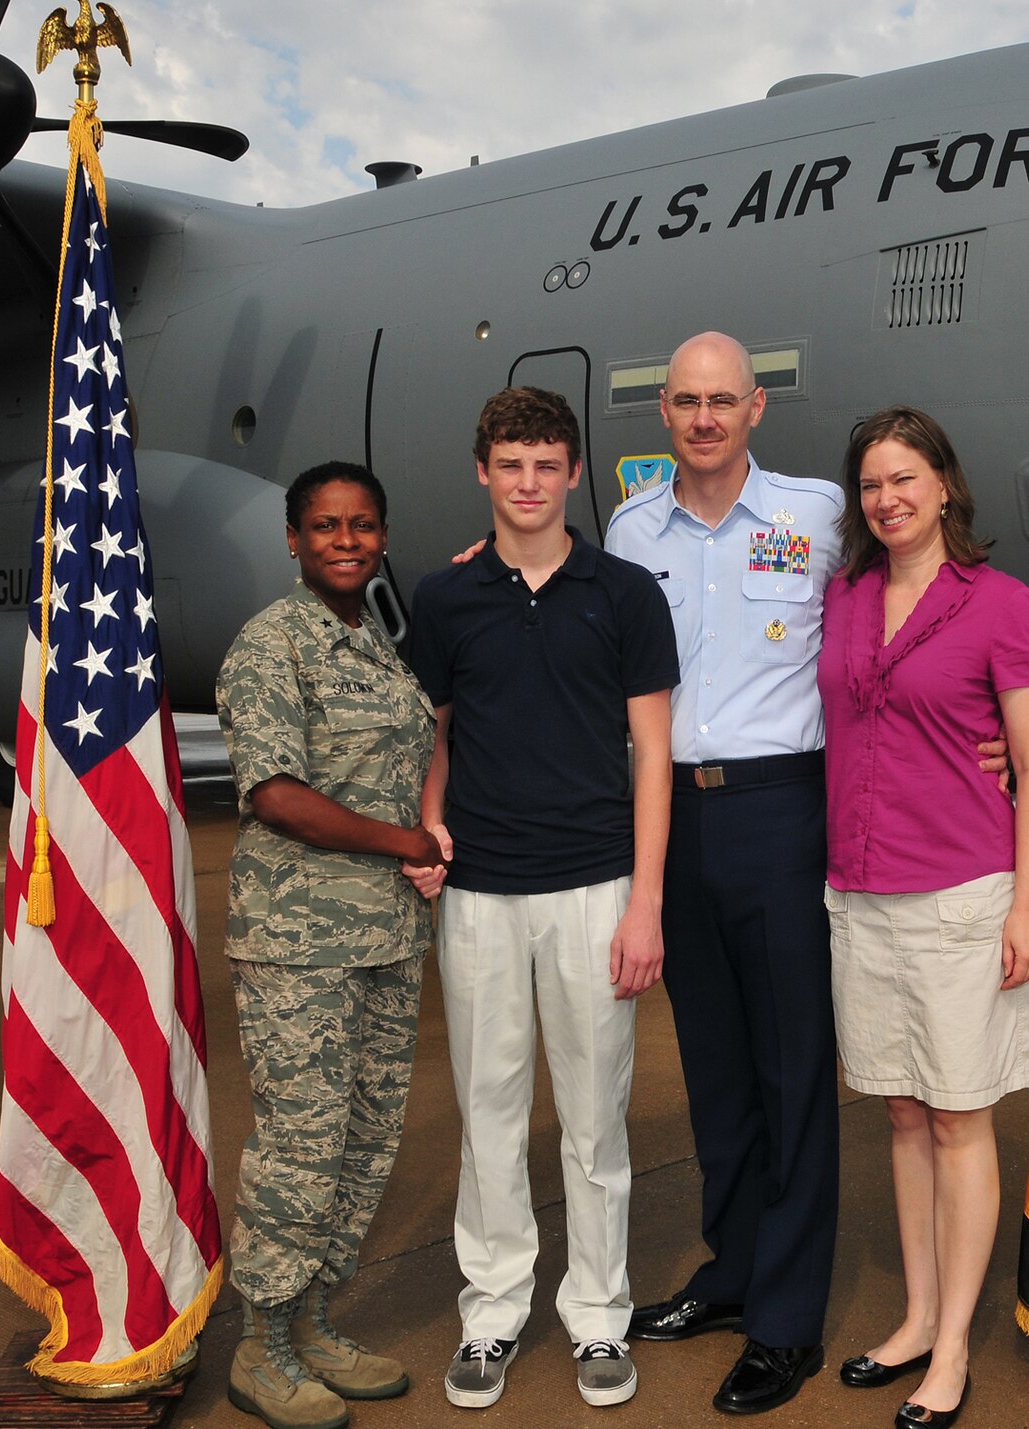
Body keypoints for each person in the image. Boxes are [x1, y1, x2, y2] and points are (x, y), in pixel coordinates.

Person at [408, 386, 678, 1412]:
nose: (527, 483)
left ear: (573, 473)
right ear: (483, 472)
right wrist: (429, 830)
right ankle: (491, 1312)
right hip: (477, 894)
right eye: (509, 464)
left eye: (545, 464)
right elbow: (434, 733)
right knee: (486, 1110)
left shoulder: (623, 593)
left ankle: (599, 1316)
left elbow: (651, 752)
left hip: (595, 887)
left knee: (595, 1118)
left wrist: (644, 902)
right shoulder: (444, 598)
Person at [604, 331, 846, 1415]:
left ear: (755, 407)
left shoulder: (817, 514)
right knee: (713, 1068)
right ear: (663, 411)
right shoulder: (628, 526)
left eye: (722, 401)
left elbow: (900, 621)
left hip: (779, 808)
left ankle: (786, 1318)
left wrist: (982, 727)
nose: (704, 418)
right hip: (671, 817)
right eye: (685, 402)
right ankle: (733, 1271)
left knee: (793, 1070)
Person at [818, 408, 1029, 1429]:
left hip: (962, 898)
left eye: (905, 478)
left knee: (959, 1118)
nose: (888, 498)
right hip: (858, 895)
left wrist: (1025, 901)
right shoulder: (842, 596)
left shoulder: (1000, 604)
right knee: (901, 1112)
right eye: (871, 483)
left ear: (944, 485)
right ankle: (914, 1315)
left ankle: (953, 1344)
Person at [214, 461, 448, 1429]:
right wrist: (410, 843)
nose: (343, 540)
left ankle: (310, 1323)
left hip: (383, 937)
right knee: (300, 1147)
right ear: (293, 539)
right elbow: (277, 795)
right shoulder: (271, 646)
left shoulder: (374, 641)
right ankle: (259, 1347)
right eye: (323, 526)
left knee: (360, 1140)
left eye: (360, 525)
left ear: (383, 534)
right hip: (299, 942)